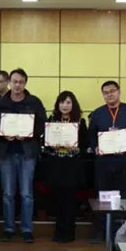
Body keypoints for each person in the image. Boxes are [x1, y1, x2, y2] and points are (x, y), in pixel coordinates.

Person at [0, 68, 46, 243]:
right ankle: (8, 228)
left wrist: (29, 134)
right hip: (6, 152)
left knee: (26, 193)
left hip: (27, 152)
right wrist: (2, 135)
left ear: (25, 83)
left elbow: (41, 125)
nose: (17, 85)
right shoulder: (0, 103)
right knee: (7, 193)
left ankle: (27, 229)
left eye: (21, 82)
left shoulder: (34, 102)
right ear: (9, 82)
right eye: (14, 82)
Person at [45, 91, 88, 243]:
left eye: (68, 102)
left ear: (73, 104)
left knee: (70, 200)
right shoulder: (52, 121)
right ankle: (59, 231)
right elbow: (46, 145)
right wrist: (52, 145)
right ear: (58, 104)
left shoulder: (80, 122)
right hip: (56, 166)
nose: (65, 105)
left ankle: (69, 231)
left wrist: (75, 148)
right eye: (62, 102)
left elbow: (85, 145)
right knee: (57, 199)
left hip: (72, 167)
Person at [89, 80, 126, 199]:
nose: (109, 94)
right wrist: (95, 147)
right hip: (104, 161)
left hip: (124, 159)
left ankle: (123, 212)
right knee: (104, 195)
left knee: (124, 194)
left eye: (112, 91)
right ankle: (104, 212)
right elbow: (92, 134)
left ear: (119, 92)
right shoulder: (97, 113)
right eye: (106, 92)